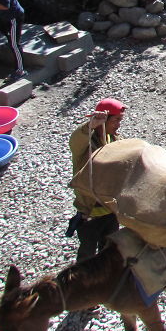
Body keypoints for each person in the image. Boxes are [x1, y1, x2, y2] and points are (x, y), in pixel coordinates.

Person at [67, 98, 126, 261]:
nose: (119, 124)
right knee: (87, 253)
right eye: (116, 120)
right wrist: (89, 126)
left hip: (110, 211)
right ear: (104, 121)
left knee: (109, 249)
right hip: (90, 214)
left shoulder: (115, 140)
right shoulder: (85, 144)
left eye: (120, 120)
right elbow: (74, 140)